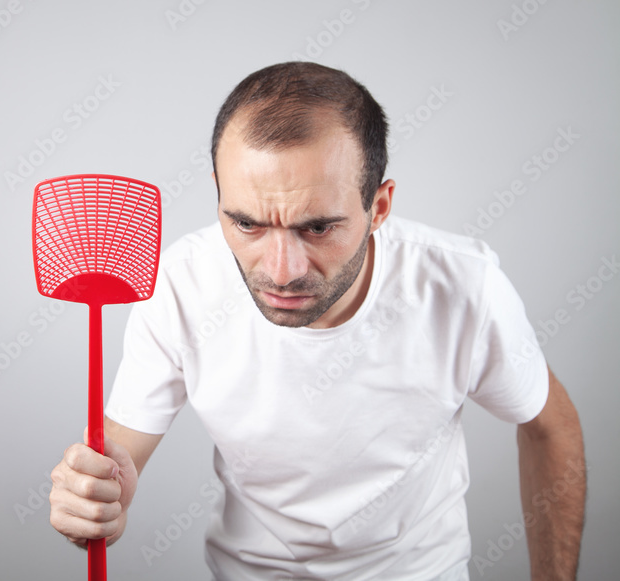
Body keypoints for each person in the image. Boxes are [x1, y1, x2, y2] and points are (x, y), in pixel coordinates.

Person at [48, 62, 586, 580]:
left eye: (318, 227)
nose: (281, 272)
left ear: (379, 207)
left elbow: (550, 426)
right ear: (219, 194)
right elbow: (120, 459)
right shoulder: (179, 284)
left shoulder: (464, 286)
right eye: (246, 222)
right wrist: (95, 494)